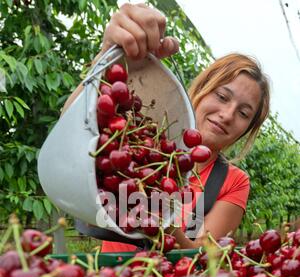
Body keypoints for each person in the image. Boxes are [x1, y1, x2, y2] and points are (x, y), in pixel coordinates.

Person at [62, 3, 270, 253]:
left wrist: (160, 211)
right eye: (222, 97)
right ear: (202, 90)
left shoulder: (233, 181)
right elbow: (71, 131)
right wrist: (107, 57)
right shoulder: (144, 134)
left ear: (248, 128)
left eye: (243, 113)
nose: (227, 115)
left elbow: (201, 258)